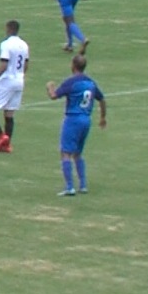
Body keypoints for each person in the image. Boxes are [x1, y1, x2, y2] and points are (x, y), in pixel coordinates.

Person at [45, 54, 106, 197]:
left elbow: (54, 96)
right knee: (78, 153)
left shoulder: (71, 82)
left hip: (73, 119)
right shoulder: (91, 82)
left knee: (65, 152)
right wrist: (103, 117)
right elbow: (102, 100)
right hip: (86, 120)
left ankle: (69, 187)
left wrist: (50, 87)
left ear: (73, 65)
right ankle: (83, 185)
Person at [0, 20, 29, 154]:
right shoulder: (24, 45)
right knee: (9, 113)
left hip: (7, 80)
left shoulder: (6, 44)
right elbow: (26, 65)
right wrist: (20, 76)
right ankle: (7, 145)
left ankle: (1, 136)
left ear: (8, 29)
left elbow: (4, 64)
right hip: (19, 81)